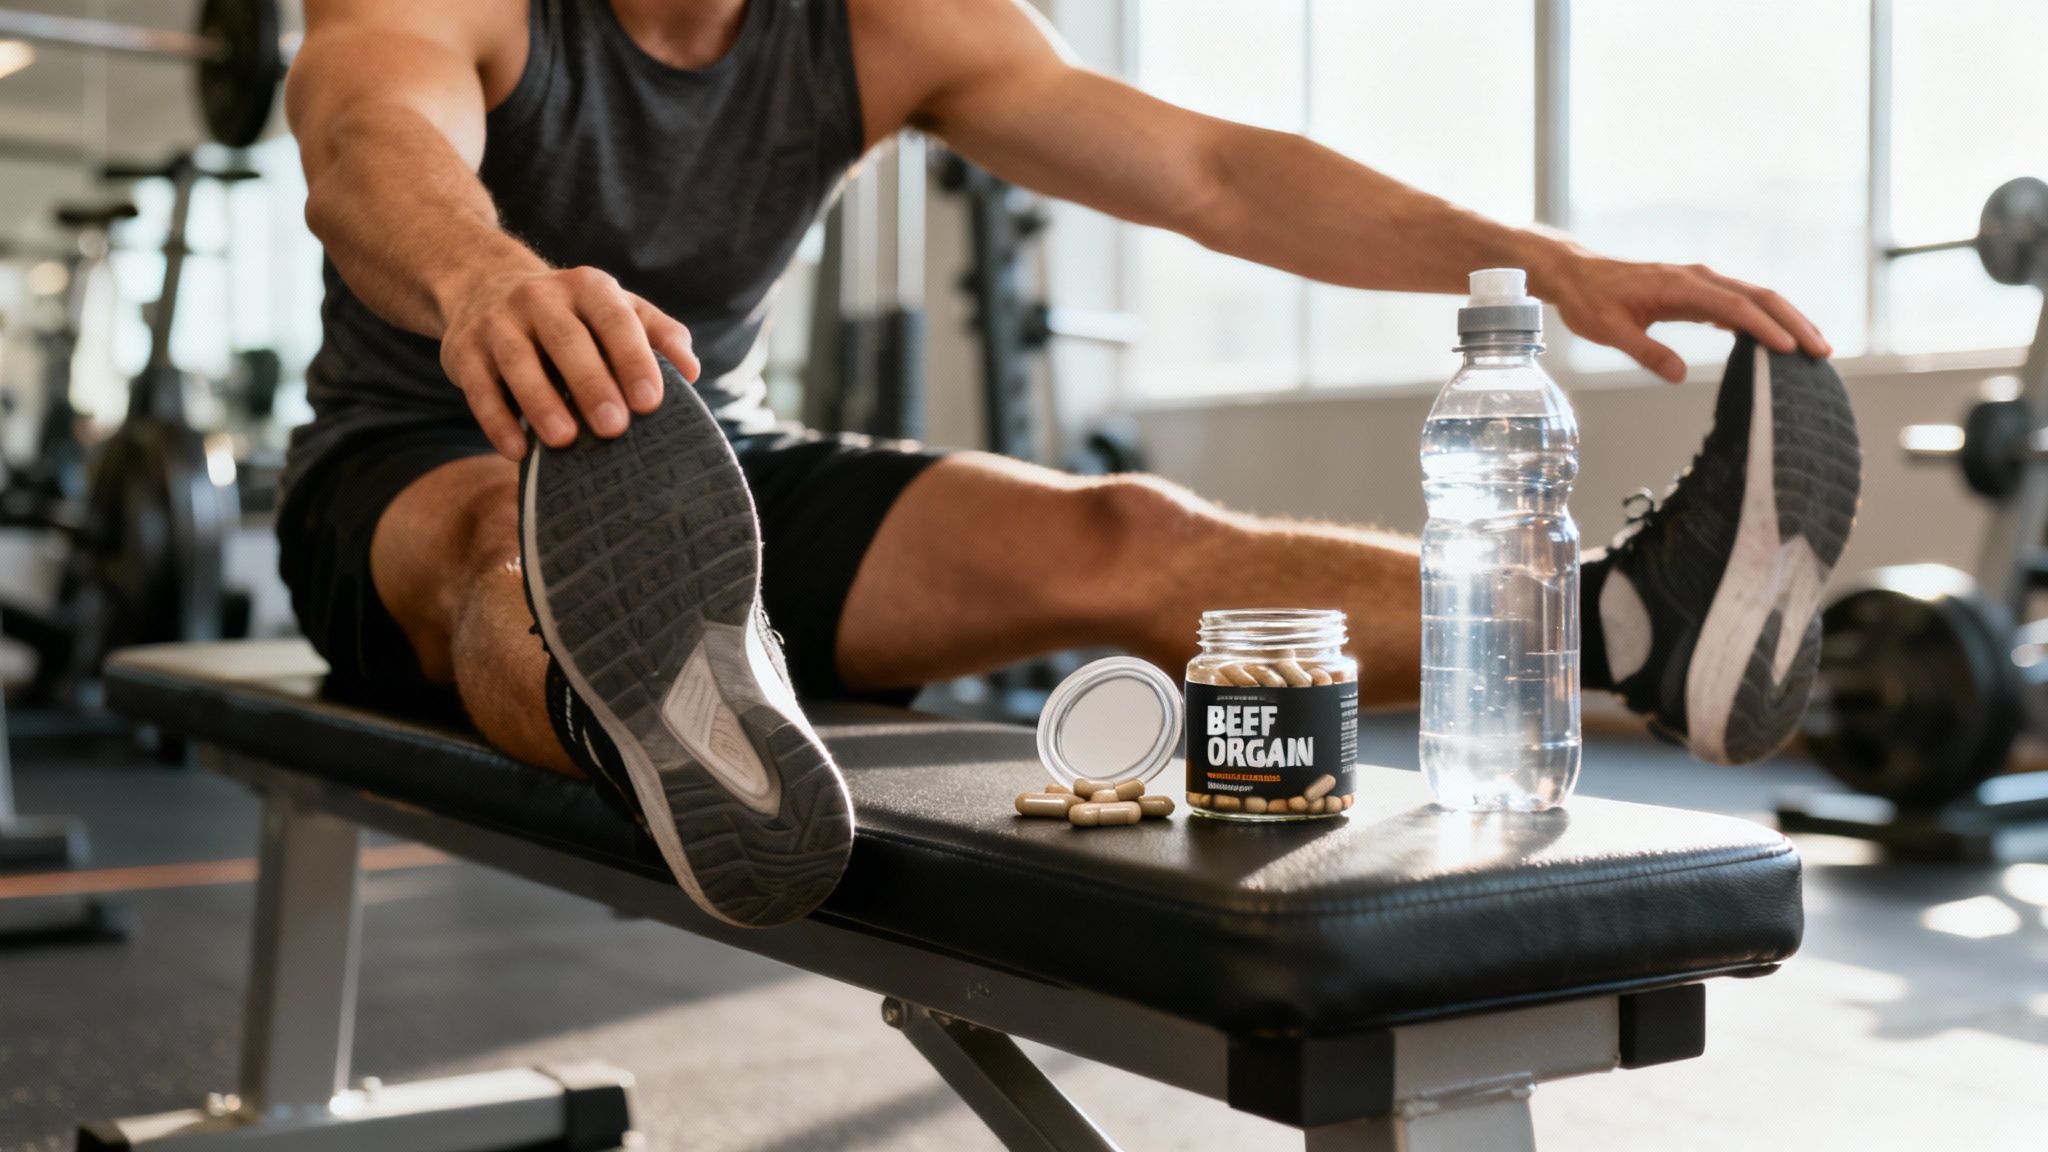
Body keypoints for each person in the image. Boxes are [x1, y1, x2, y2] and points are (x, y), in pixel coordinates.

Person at [280, 0, 1857, 927]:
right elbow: (366, 131)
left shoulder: (884, 23)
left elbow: (1214, 176)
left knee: (1122, 531)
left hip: (715, 465)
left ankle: (1627, 630)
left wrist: (1528, 257)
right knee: (508, 536)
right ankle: (628, 705)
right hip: (421, 454)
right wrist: (487, 279)